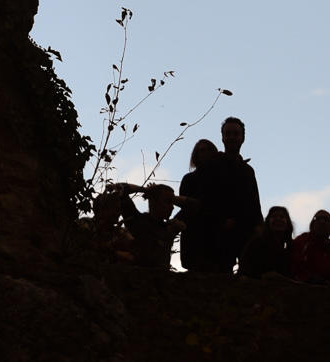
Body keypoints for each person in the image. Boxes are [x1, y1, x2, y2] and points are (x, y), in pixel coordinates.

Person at [211, 116, 263, 273]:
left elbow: (254, 202)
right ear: (222, 137)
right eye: (228, 134)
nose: (232, 137)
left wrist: (259, 226)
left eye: (235, 134)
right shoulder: (214, 166)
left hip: (245, 230)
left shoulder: (247, 171)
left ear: (243, 138)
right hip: (219, 230)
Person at [175, 138, 225, 273]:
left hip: (217, 232)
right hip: (194, 233)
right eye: (201, 151)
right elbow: (187, 207)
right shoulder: (189, 179)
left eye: (208, 150)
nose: (205, 153)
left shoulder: (222, 177)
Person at [110, 183, 181, 270]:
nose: (172, 207)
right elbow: (120, 188)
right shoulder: (137, 220)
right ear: (154, 202)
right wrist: (146, 190)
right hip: (140, 278)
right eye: (168, 202)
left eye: (172, 203)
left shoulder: (169, 227)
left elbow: (194, 206)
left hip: (162, 280)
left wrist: (171, 198)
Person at [238, 203, 293, 278]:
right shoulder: (256, 243)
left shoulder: (291, 246)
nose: (278, 219)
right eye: (274, 216)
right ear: (268, 222)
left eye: (282, 217)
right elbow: (245, 268)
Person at [290, 209, 330, 285]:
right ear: (312, 225)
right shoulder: (301, 241)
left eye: (326, 219)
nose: (322, 221)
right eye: (317, 219)